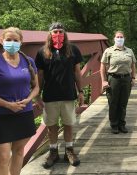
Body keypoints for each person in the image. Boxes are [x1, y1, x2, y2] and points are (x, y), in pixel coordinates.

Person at [0, 27, 39, 175]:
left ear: (21, 42)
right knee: (2, 157)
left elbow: (36, 87)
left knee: (19, 152)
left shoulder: (29, 62)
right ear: (2, 41)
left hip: (24, 112)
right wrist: (8, 105)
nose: (12, 43)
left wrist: (28, 99)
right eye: (9, 40)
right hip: (1, 115)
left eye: (16, 40)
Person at [35, 22, 84, 168]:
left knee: (68, 124)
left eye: (60, 31)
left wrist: (80, 91)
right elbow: (40, 75)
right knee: (51, 126)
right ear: (49, 34)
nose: (58, 34)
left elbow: (77, 72)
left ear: (65, 34)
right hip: (50, 96)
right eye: (55, 31)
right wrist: (37, 95)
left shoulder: (73, 49)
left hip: (68, 94)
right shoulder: (42, 51)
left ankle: (69, 151)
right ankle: (53, 152)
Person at [100, 31, 137, 134]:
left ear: (124, 38)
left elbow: (133, 65)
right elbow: (102, 66)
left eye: (121, 37)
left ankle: (122, 124)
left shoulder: (129, 51)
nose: (119, 38)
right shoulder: (109, 51)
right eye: (117, 37)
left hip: (126, 79)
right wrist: (103, 80)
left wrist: (133, 78)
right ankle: (114, 125)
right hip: (113, 78)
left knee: (123, 103)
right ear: (114, 38)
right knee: (113, 102)